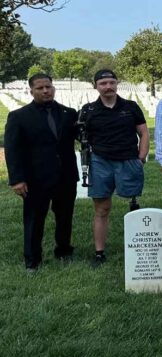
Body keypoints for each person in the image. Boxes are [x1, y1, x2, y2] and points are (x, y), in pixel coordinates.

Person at [4, 73, 78, 273]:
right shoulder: (19, 116)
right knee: (34, 219)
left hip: (66, 175)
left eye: (48, 86)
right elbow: (13, 150)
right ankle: (32, 260)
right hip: (36, 178)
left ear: (53, 88)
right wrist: (17, 179)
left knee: (65, 217)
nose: (45, 91)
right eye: (40, 88)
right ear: (31, 91)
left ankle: (63, 251)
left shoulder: (69, 113)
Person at [81, 69, 149, 268]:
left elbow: (143, 132)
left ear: (117, 84)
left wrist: (141, 156)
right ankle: (99, 252)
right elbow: (81, 136)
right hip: (100, 161)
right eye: (103, 83)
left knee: (133, 203)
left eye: (112, 82)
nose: (108, 87)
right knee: (102, 208)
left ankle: (139, 245)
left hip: (128, 159)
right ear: (96, 86)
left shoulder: (130, 107)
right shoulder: (88, 110)